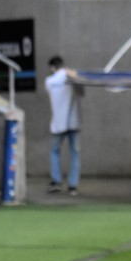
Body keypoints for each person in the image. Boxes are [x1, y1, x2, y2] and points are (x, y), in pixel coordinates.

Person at [45, 55, 82, 196]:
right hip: (73, 122)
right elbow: (81, 91)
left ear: (53, 67)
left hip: (58, 123)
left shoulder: (49, 81)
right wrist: (73, 75)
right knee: (74, 153)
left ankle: (56, 181)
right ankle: (73, 185)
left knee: (54, 150)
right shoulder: (71, 77)